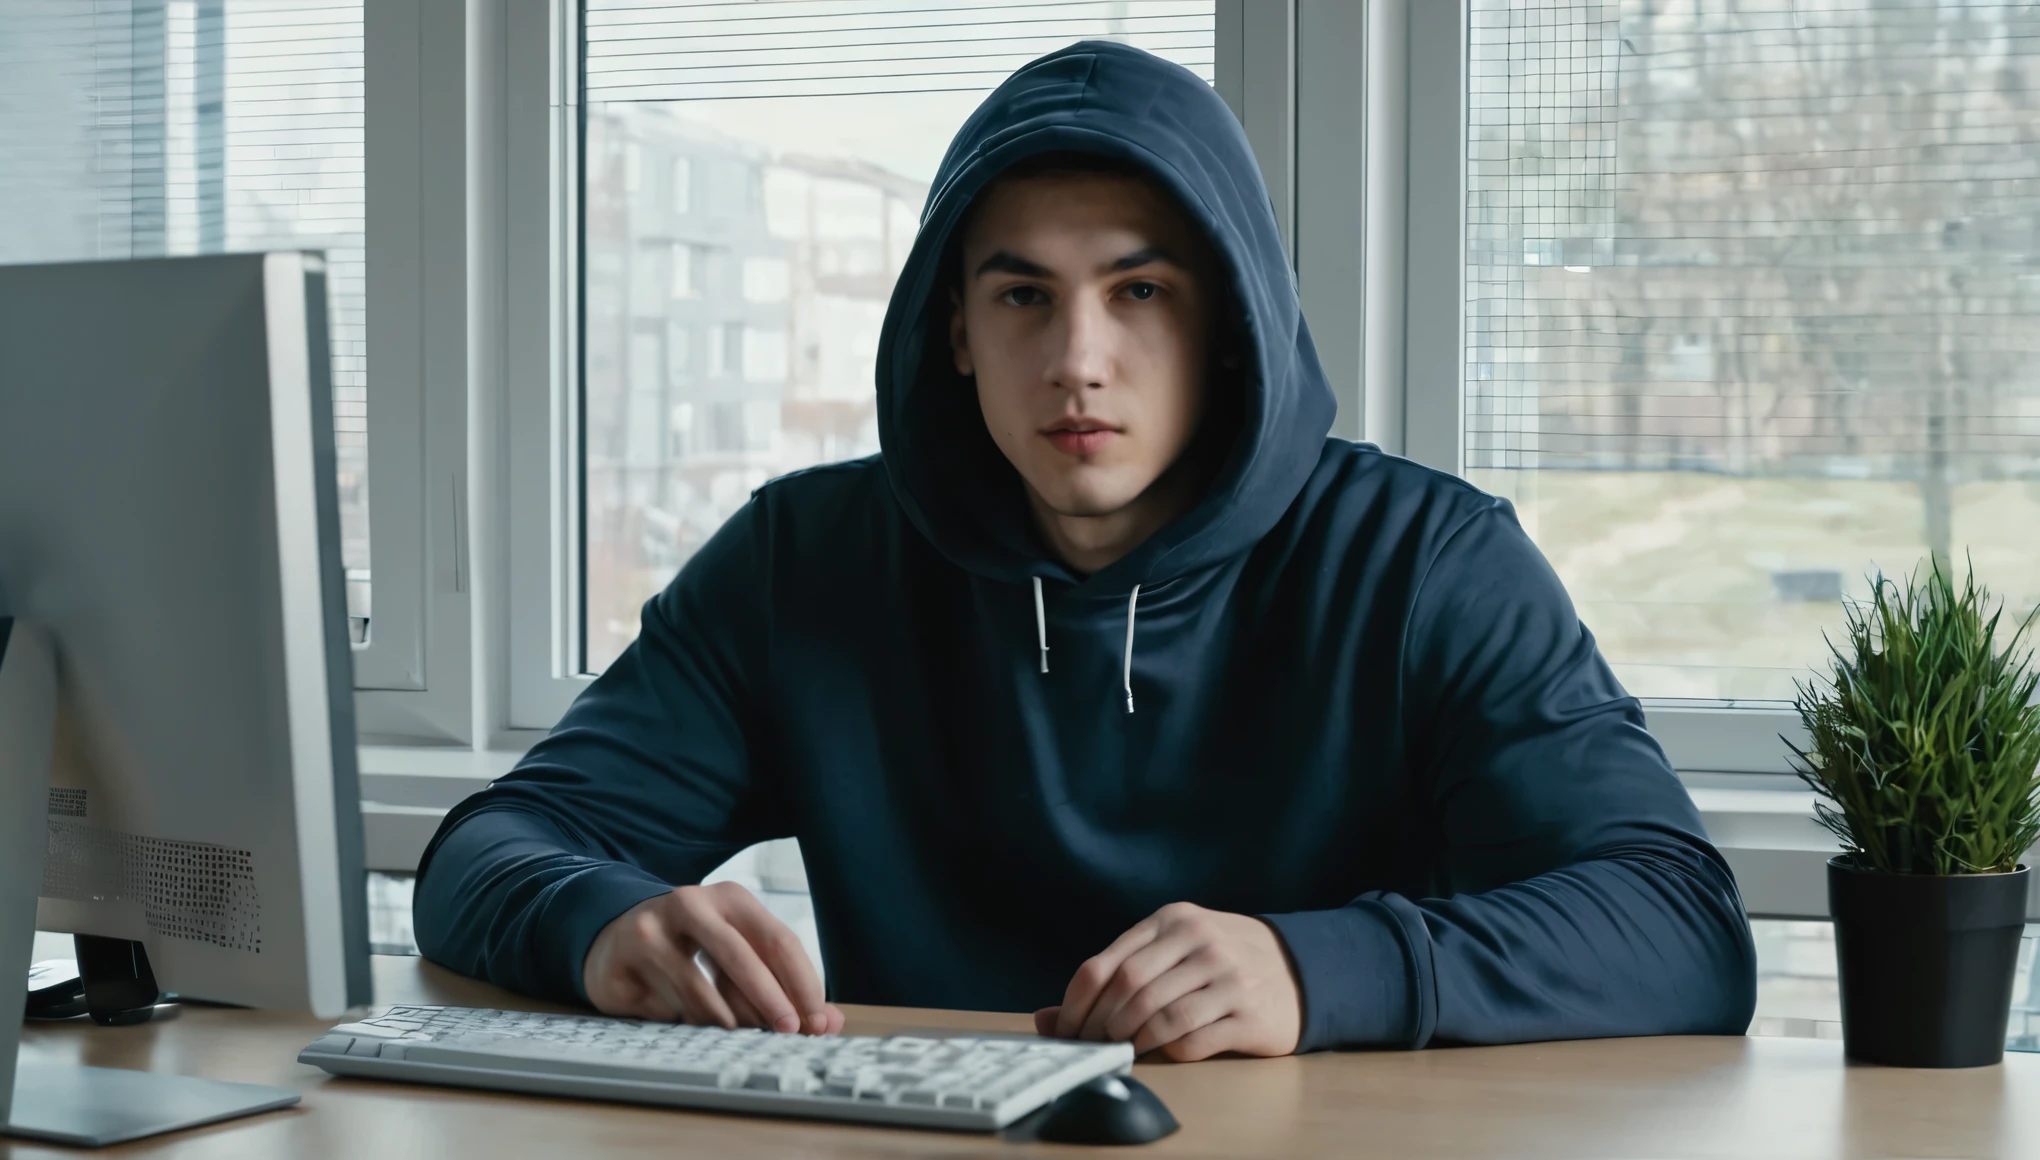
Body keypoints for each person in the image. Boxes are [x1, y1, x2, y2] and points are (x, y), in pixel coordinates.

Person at [414, 40, 1757, 1060]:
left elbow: (1679, 925)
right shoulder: (804, 565)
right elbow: (495, 848)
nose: (1077, 362)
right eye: (1021, 296)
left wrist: (1317, 971)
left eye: (1140, 291)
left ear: (1230, 323)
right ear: (954, 333)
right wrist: (599, 927)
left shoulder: (1424, 562)